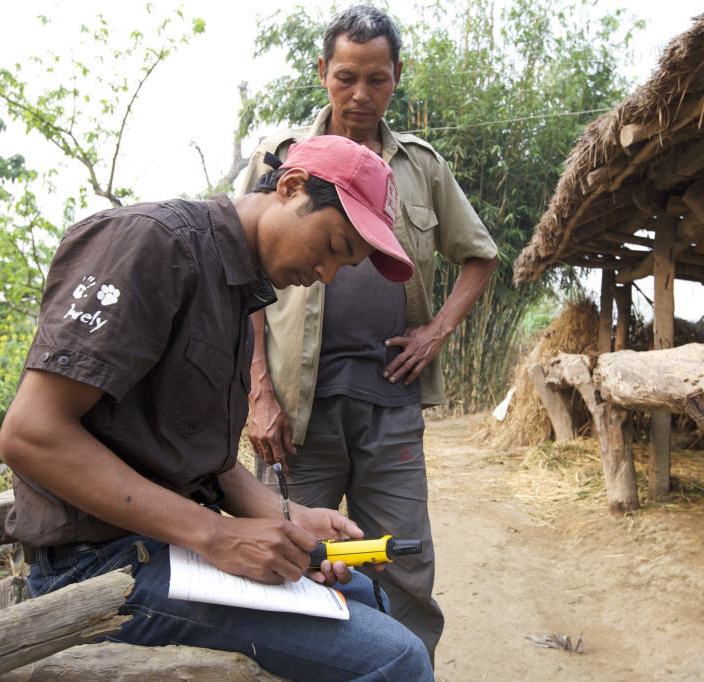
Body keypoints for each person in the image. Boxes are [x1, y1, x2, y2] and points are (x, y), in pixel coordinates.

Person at [0, 134, 434, 682]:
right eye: (332, 245)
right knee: (400, 657)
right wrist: (218, 536)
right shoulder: (152, 244)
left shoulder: (237, 288)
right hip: (96, 564)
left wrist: (287, 516)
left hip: (166, 545)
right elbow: (31, 434)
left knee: (364, 591)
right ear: (291, 187)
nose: (326, 275)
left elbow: (202, 455)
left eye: (344, 267)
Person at [237, 6, 498, 662]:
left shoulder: (422, 167)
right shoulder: (279, 158)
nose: (360, 95)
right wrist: (258, 393)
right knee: (291, 558)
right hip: (298, 415)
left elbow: (480, 254)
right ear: (323, 72)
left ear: (397, 77)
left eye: (376, 80)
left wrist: (435, 332)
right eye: (345, 77)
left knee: (403, 567)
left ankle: (403, 670)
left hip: (390, 405)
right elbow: (240, 271)